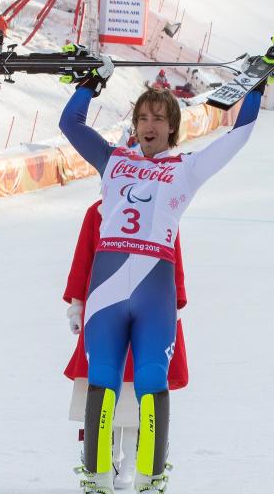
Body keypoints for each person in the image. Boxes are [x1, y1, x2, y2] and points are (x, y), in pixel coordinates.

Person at [59, 47, 263, 494]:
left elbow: (242, 132)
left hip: (155, 290)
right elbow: (70, 125)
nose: (149, 126)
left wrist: (257, 82)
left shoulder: (186, 169)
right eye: (143, 118)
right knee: (103, 381)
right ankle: (96, 478)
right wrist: (90, 85)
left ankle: (150, 479)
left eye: (158, 118)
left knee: (152, 380)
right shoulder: (114, 161)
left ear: (172, 126)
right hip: (107, 289)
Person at [63, 199, 190, 490]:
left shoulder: (162, 213)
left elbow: (174, 258)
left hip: (149, 316)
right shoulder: (97, 212)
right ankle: (102, 461)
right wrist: (77, 305)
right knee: (101, 391)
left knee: (139, 396)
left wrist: (175, 302)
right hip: (105, 311)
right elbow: (84, 259)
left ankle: (134, 461)